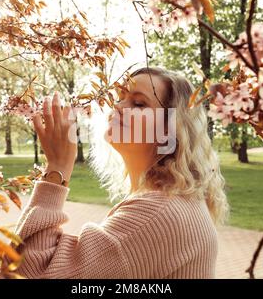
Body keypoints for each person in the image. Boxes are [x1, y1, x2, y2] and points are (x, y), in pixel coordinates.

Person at [13, 67, 228, 278]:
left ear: (169, 129)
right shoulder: (173, 200)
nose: (118, 107)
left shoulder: (157, 213)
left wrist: (57, 168)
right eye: (120, 97)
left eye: (138, 103)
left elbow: (31, 272)